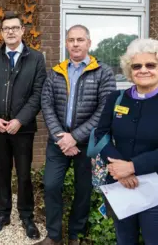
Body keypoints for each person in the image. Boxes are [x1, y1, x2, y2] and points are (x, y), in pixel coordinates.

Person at [94, 38, 158, 244]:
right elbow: (101, 135)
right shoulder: (116, 99)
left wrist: (131, 167)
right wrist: (118, 169)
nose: (143, 70)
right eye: (137, 66)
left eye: (150, 65)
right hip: (121, 187)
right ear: (130, 71)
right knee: (124, 241)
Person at [38, 25, 116, 245]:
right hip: (58, 143)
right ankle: (53, 236)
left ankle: (75, 234)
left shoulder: (103, 72)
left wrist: (76, 137)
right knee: (52, 185)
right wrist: (61, 136)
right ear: (66, 43)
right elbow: (47, 104)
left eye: (80, 40)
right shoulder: (55, 72)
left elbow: (104, 110)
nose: (75, 44)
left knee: (83, 190)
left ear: (89, 43)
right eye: (71, 40)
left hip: (87, 144)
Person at [0, 12, 46, 240]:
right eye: (6, 28)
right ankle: (3, 213)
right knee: (2, 172)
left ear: (22, 31)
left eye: (14, 28)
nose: (10, 31)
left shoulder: (36, 59)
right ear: (1, 32)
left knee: (24, 174)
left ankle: (26, 215)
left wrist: (20, 120)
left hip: (23, 129)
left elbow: (38, 94)